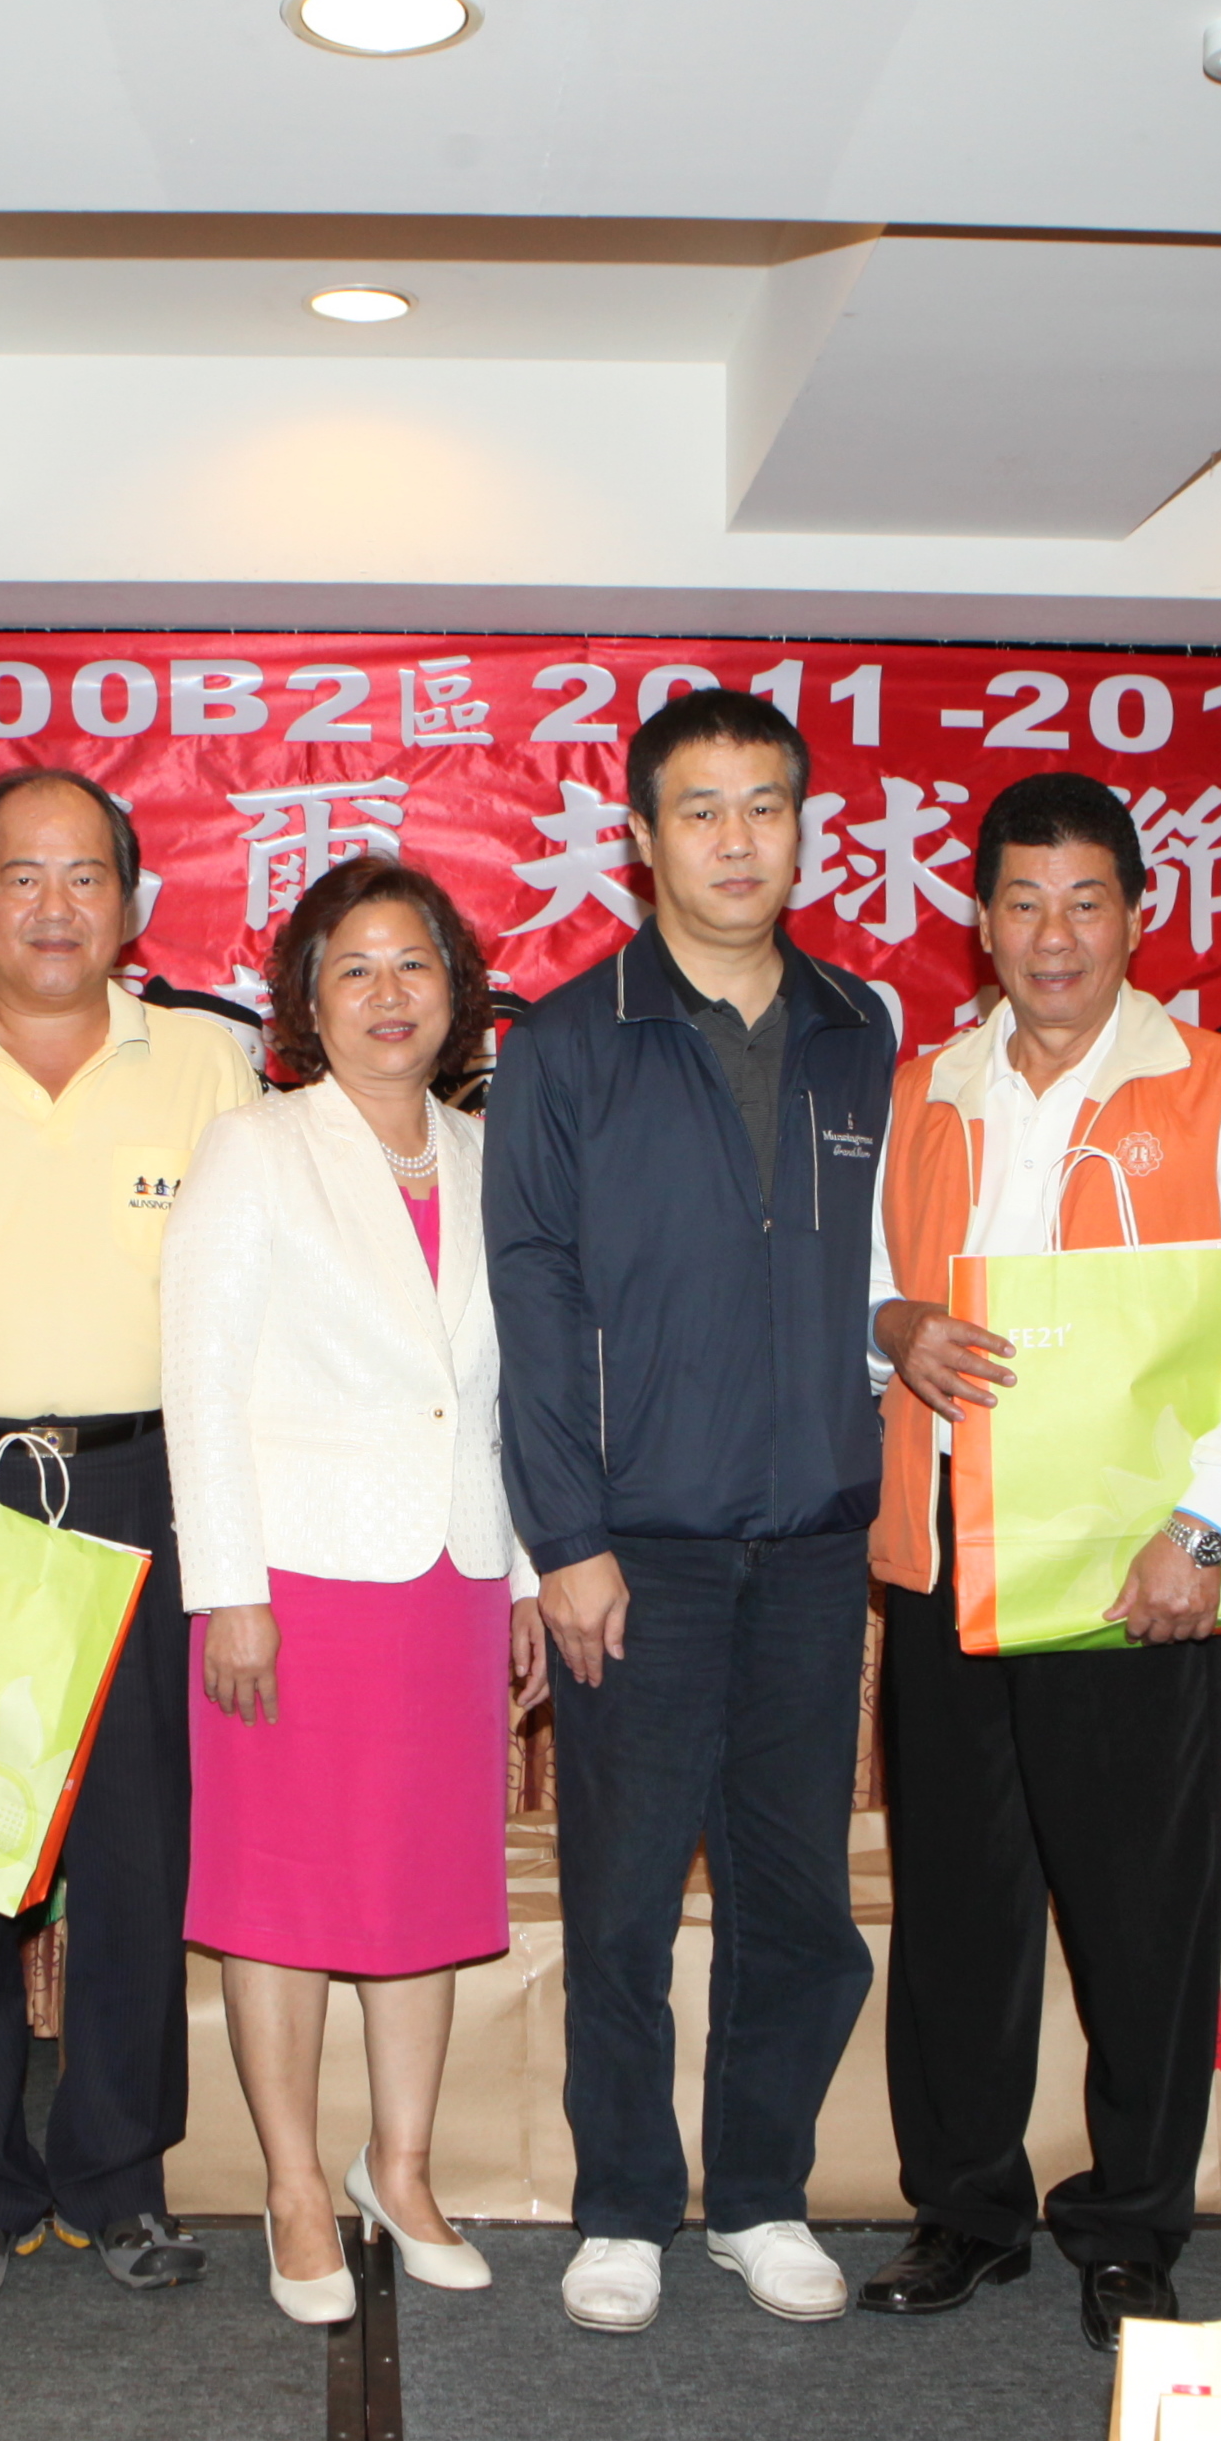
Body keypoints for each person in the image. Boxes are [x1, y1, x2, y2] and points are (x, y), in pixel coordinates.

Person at [857, 772, 1221, 2352]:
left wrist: (1203, 1528)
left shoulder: (1218, 1088)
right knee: (958, 1909)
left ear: (1139, 914)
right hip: (955, 1558)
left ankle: (1131, 2222)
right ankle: (965, 2206)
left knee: (1139, 1916)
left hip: (1140, 1570)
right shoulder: (929, 1090)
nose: (1052, 937)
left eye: (1083, 903)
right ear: (978, 921)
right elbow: (866, 1295)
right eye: (1022, 902)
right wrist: (898, 1329)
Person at [486, 687, 896, 2336]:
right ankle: (625, 2204)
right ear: (642, 837)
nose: (738, 841)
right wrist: (566, 1542)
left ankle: (764, 2194)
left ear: (805, 830)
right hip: (635, 1547)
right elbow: (529, 1306)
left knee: (798, 1898)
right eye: (703, 810)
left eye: (767, 807)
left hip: (813, 1543)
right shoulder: (569, 1041)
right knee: (625, 1897)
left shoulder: (860, 1029)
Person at [0, 768, 264, 2300]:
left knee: (137, 1859)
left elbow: (253, 1291)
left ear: (132, 902)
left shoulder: (207, 1061)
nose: (54, 906)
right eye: (20, 876)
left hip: (149, 1487)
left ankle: (118, 2177)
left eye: (86, 875)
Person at [165, 860, 546, 2322]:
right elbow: (201, 1381)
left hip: (448, 1578)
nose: (391, 995)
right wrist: (231, 1589)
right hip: (296, 1584)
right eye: (356, 969)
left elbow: (507, 1396)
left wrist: (520, 1575)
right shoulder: (257, 1149)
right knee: (280, 1895)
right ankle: (293, 2187)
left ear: (457, 992)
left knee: (423, 1887)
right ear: (307, 1004)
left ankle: (403, 2167)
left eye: (416, 965)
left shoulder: (488, 1154)